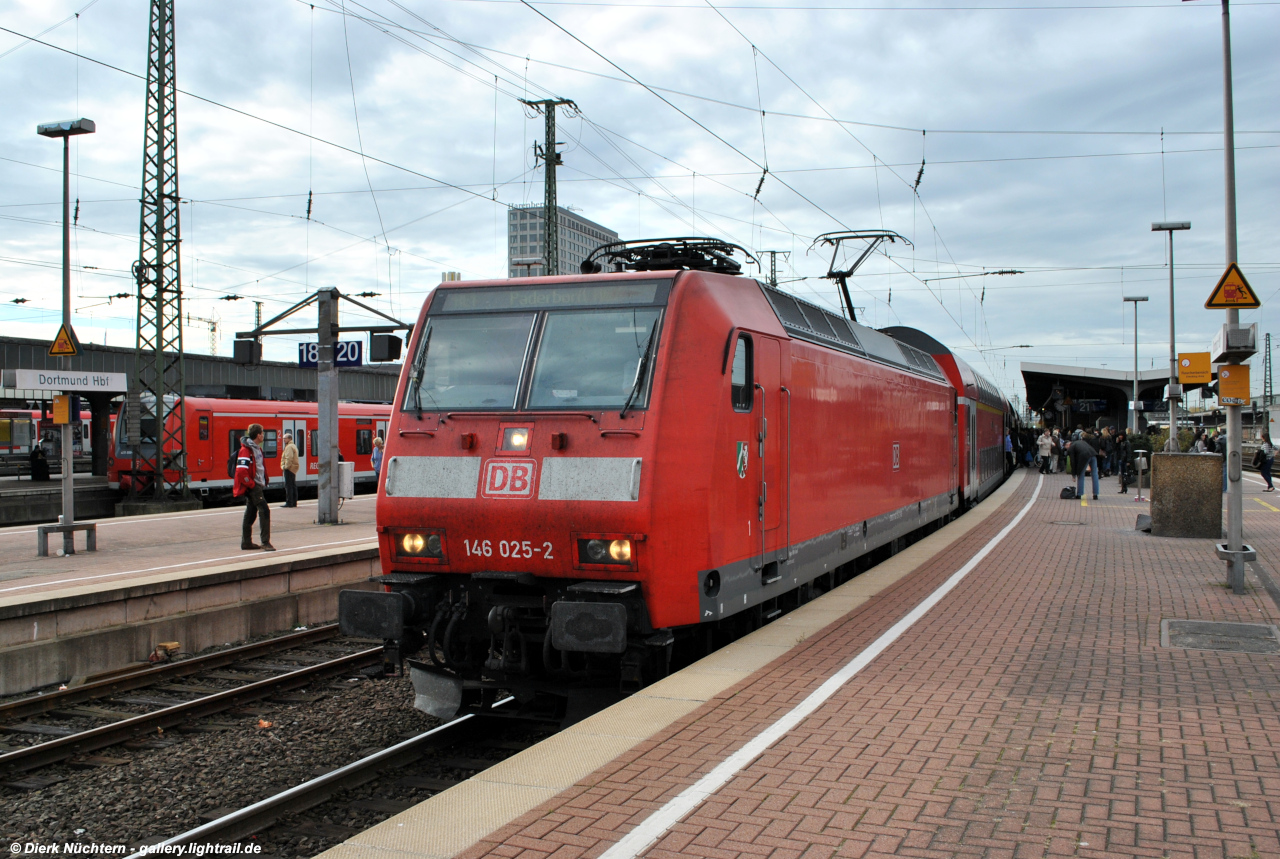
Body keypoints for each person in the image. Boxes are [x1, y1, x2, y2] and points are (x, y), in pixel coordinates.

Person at [234, 423, 274, 551]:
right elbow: (241, 471)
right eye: (262, 433)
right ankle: (265, 542)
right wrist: (251, 484)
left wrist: (264, 479)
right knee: (264, 510)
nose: (263, 435)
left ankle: (246, 542)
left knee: (251, 513)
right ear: (258, 435)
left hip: (257, 484)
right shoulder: (246, 450)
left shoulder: (257, 449)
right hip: (253, 485)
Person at [1070, 430, 1100, 500]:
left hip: (1085, 456)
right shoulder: (1083, 442)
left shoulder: (1072, 446)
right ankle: (1095, 494)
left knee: (1081, 474)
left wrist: (1074, 474)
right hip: (1093, 454)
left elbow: (1073, 461)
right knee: (1095, 474)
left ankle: (1079, 494)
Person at [280, 432, 300, 508]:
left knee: (288, 486)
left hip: (289, 468)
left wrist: (285, 467)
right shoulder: (293, 446)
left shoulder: (289, 447)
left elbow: (289, 458)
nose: (283, 440)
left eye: (285, 438)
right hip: (293, 468)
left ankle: (289, 502)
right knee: (293, 485)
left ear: (289, 439)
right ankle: (294, 502)